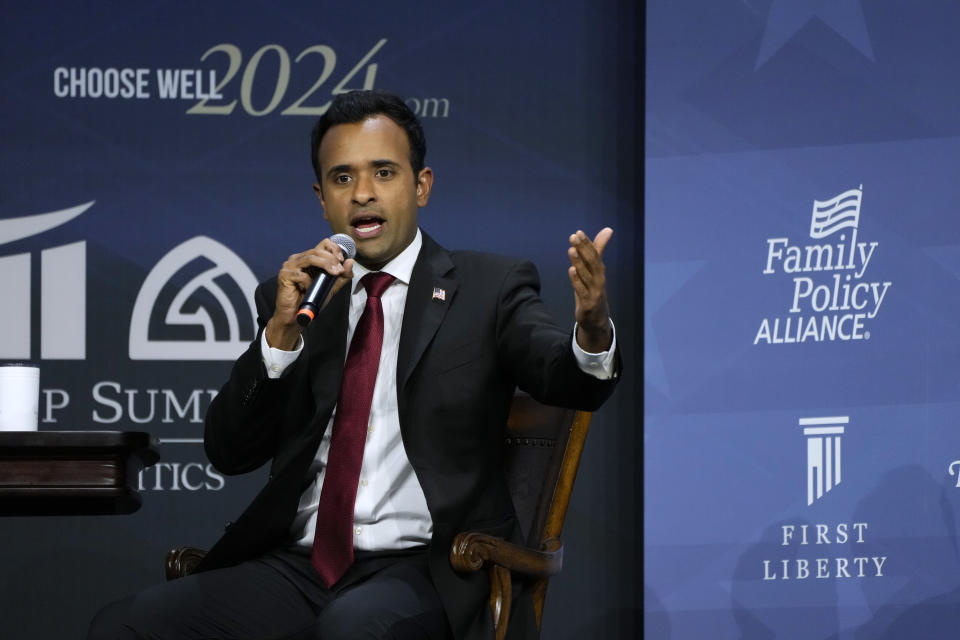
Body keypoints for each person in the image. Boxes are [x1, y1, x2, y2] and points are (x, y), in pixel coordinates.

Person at [88, 90, 619, 640]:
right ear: (322, 199)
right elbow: (229, 451)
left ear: (422, 186)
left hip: (426, 568)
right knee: (122, 626)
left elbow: (569, 379)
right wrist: (279, 335)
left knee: (350, 630)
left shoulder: (488, 287)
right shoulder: (297, 298)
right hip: (298, 567)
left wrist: (593, 327)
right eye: (342, 179)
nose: (363, 194)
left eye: (384, 173)